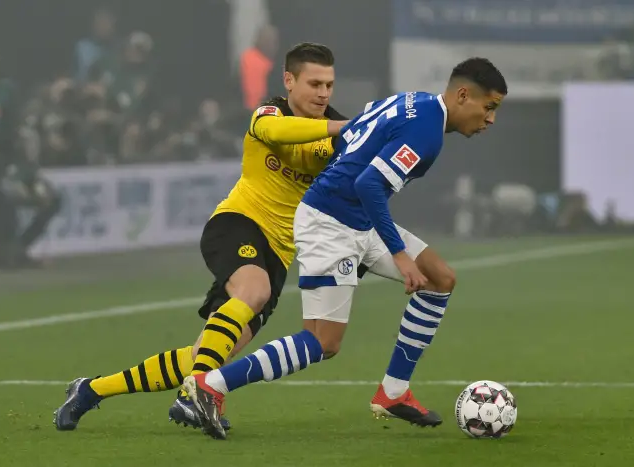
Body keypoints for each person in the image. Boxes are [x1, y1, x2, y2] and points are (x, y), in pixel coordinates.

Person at [183, 57, 508, 440]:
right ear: (463, 95)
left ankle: (393, 392)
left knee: (440, 279)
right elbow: (368, 184)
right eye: (489, 107)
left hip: (356, 217)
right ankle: (210, 385)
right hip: (330, 222)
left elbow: (355, 132)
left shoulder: (415, 102)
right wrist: (399, 254)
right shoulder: (427, 132)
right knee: (323, 342)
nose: (490, 119)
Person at [53, 42, 350, 432]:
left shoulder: (343, 134)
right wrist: (343, 128)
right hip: (238, 223)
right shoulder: (272, 112)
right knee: (254, 291)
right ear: (289, 81)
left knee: (206, 356)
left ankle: (90, 390)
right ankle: (193, 396)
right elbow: (274, 131)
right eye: (314, 83)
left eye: (329, 85)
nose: (323, 93)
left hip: (279, 254)